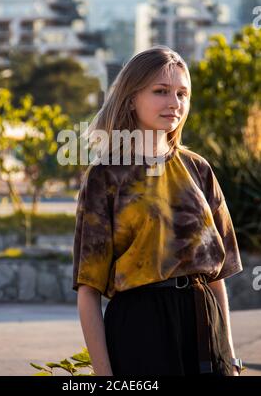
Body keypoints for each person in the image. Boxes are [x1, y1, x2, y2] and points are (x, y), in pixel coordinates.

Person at [72, 45, 244, 377]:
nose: (174, 103)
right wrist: (105, 378)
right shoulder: (107, 175)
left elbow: (216, 277)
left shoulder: (199, 169)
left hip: (204, 325)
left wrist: (230, 360)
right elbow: (88, 291)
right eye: (160, 91)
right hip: (141, 329)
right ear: (131, 97)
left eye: (182, 93)